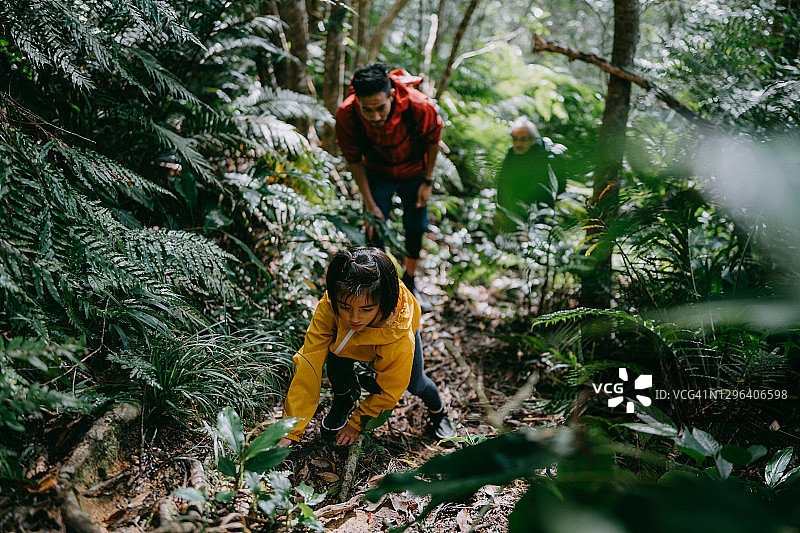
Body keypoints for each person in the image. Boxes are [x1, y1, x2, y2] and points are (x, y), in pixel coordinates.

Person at [277, 246, 456, 447]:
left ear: (382, 302)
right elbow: (309, 360)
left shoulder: (398, 332)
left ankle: (438, 412)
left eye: (366, 309)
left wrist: (357, 423)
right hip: (347, 343)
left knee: (415, 383)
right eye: (345, 307)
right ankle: (343, 400)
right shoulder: (331, 305)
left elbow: (390, 389)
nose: (354, 318)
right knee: (335, 358)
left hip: (388, 337)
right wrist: (290, 430)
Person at [335, 63, 444, 312]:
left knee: (416, 225)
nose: (375, 117)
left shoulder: (418, 106)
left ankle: (411, 281)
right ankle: (384, 286)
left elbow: (433, 140)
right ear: (357, 101)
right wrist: (370, 204)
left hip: (415, 171)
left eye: (380, 108)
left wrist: (427, 181)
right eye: (367, 110)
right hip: (376, 172)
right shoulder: (347, 114)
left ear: (392, 95)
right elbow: (353, 159)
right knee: (374, 229)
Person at [495, 116, 566, 230]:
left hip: (540, 210)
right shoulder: (512, 153)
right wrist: (500, 209)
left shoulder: (545, 156)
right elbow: (502, 182)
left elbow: (559, 184)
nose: (518, 143)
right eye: (515, 138)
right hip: (514, 208)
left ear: (533, 139)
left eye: (523, 139)